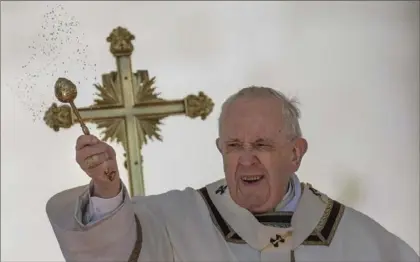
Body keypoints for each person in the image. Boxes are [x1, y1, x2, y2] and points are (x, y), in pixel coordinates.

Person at [46, 87, 419, 262]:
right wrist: (108, 188)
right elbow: (115, 251)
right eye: (234, 146)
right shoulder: (176, 222)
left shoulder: (363, 244)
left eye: (261, 145)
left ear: (295, 153)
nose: (246, 160)